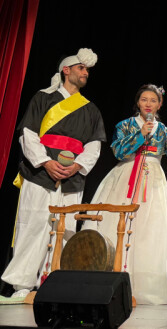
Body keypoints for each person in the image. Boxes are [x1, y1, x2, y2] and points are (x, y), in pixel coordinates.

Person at [83, 84, 167, 305]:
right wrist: (140, 134)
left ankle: (144, 287)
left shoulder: (164, 130)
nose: (148, 104)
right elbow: (118, 151)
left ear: (159, 104)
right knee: (116, 225)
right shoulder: (125, 125)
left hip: (153, 179)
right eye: (144, 100)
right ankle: (110, 281)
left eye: (153, 100)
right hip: (126, 175)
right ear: (138, 103)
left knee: (149, 230)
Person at [2, 48, 105, 298]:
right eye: (81, 68)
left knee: (66, 228)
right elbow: (28, 134)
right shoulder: (43, 98)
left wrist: (77, 166)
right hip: (40, 173)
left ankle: (54, 281)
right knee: (34, 225)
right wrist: (46, 162)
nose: (85, 73)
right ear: (66, 70)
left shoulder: (90, 109)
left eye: (87, 70)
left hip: (72, 176)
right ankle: (23, 284)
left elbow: (94, 144)